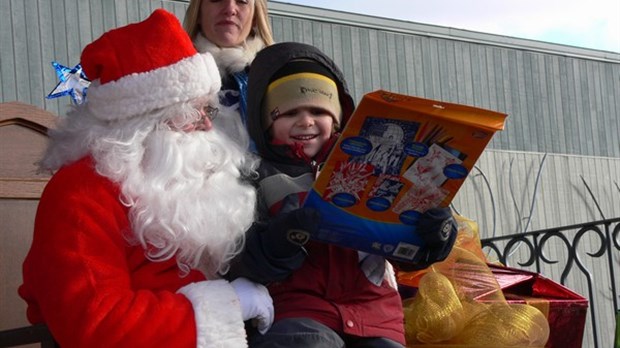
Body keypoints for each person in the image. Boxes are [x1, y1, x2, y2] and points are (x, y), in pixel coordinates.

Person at [19, 9, 273, 348]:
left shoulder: (164, 182)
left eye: (207, 109)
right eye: (192, 113)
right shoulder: (79, 194)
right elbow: (97, 323)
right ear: (138, 128)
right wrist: (228, 305)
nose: (207, 126)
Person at [226, 42, 459, 348]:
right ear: (266, 122)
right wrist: (276, 243)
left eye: (318, 111)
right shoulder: (257, 175)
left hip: (374, 313)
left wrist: (435, 234)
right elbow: (238, 257)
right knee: (307, 343)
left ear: (337, 118)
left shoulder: (372, 164)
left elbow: (407, 254)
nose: (306, 121)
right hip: (298, 309)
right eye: (290, 112)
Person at [183, 0, 274, 134]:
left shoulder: (278, 75)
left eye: (242, 1)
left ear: (255, 17)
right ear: (198, 13)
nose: (230, 9)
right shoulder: (167, 78)